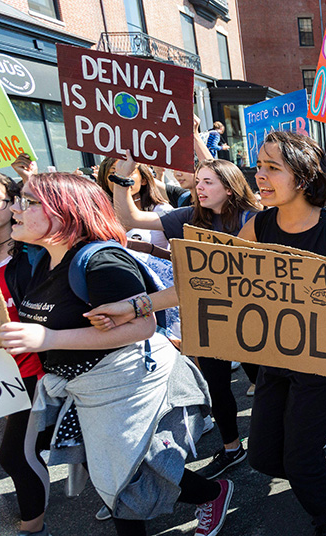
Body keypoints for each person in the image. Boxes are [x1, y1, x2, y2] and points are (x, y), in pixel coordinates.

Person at [0, 173, 231, 536]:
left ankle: (208, 492)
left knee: (121, 479)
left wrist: (48, 338)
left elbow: (141, 327)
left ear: (64, 212)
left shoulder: (102, 261)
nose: (15, 208)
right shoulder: (33, 263)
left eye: (29, 202)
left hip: (127, 384)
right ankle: (212, 491)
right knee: (132, 470)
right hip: (81, 389)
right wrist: (4, 338)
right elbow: (42, 322)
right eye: (20, 199)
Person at [237, 130, 326, 536]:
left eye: (272, 168)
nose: (260, 176)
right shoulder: (257, 227)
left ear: (303, 176)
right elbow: (211, 278)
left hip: (325, 363)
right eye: (259, 166)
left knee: (300, 460)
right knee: (262, 456)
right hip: (276, 360)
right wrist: (138, 306)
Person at [109, 157, 261, 480]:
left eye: (209, 182)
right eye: (199, 180)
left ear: (230, 188)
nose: (200, 187)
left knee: (264, 379)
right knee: (217, 387)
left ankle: (279, 435)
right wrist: (122, 180)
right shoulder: (188, 217)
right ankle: (232, 447)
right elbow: (128, 217)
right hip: (206, 317)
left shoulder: (255, 218)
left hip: (251, 318)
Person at [0, 169, 47, 535]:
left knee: (15, 456)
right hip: (1, 373)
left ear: (12, 201)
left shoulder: (37, 251)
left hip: (42, 371)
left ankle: (32, 527)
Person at [96, 158, 173, 249]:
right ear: (106, 180)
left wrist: (148, 250)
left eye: (130, 172)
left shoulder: (162, 211)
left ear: (143, 179)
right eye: (114, 173)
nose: (121, 177)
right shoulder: (99, 215)